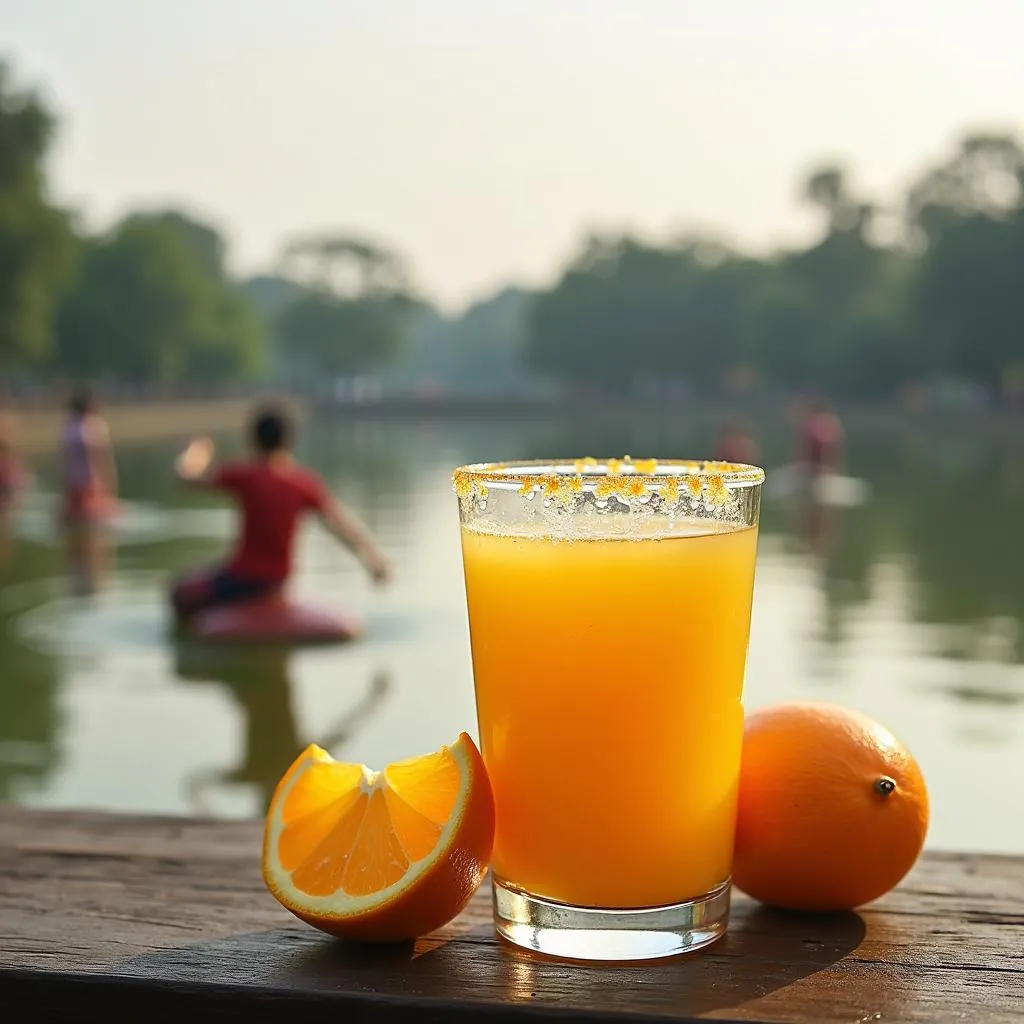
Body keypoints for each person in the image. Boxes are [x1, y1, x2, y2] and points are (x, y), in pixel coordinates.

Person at [171, 404, 391, 624]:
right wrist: (374, 562)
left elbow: (186, 478)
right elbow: (341, 525)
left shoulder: (244, 476)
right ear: (289, 442)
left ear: (252, 442)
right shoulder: (304, 483)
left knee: (179, 593)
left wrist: (196, 451)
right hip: (279, 580)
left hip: (242, 579)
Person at [59, 389, 118, 592]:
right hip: (88, 480)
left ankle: (81, 551)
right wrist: (107, 480)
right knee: (94, 523)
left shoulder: (69, 427)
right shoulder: (94, 427)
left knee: (76, 522)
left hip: (74, 479)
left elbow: (64, 458)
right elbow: (100, 457)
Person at [798, 397, 845, 477]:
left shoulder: (811, 424)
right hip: (831, 470)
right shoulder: (834, 422)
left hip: (813, 470)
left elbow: (804, 452)